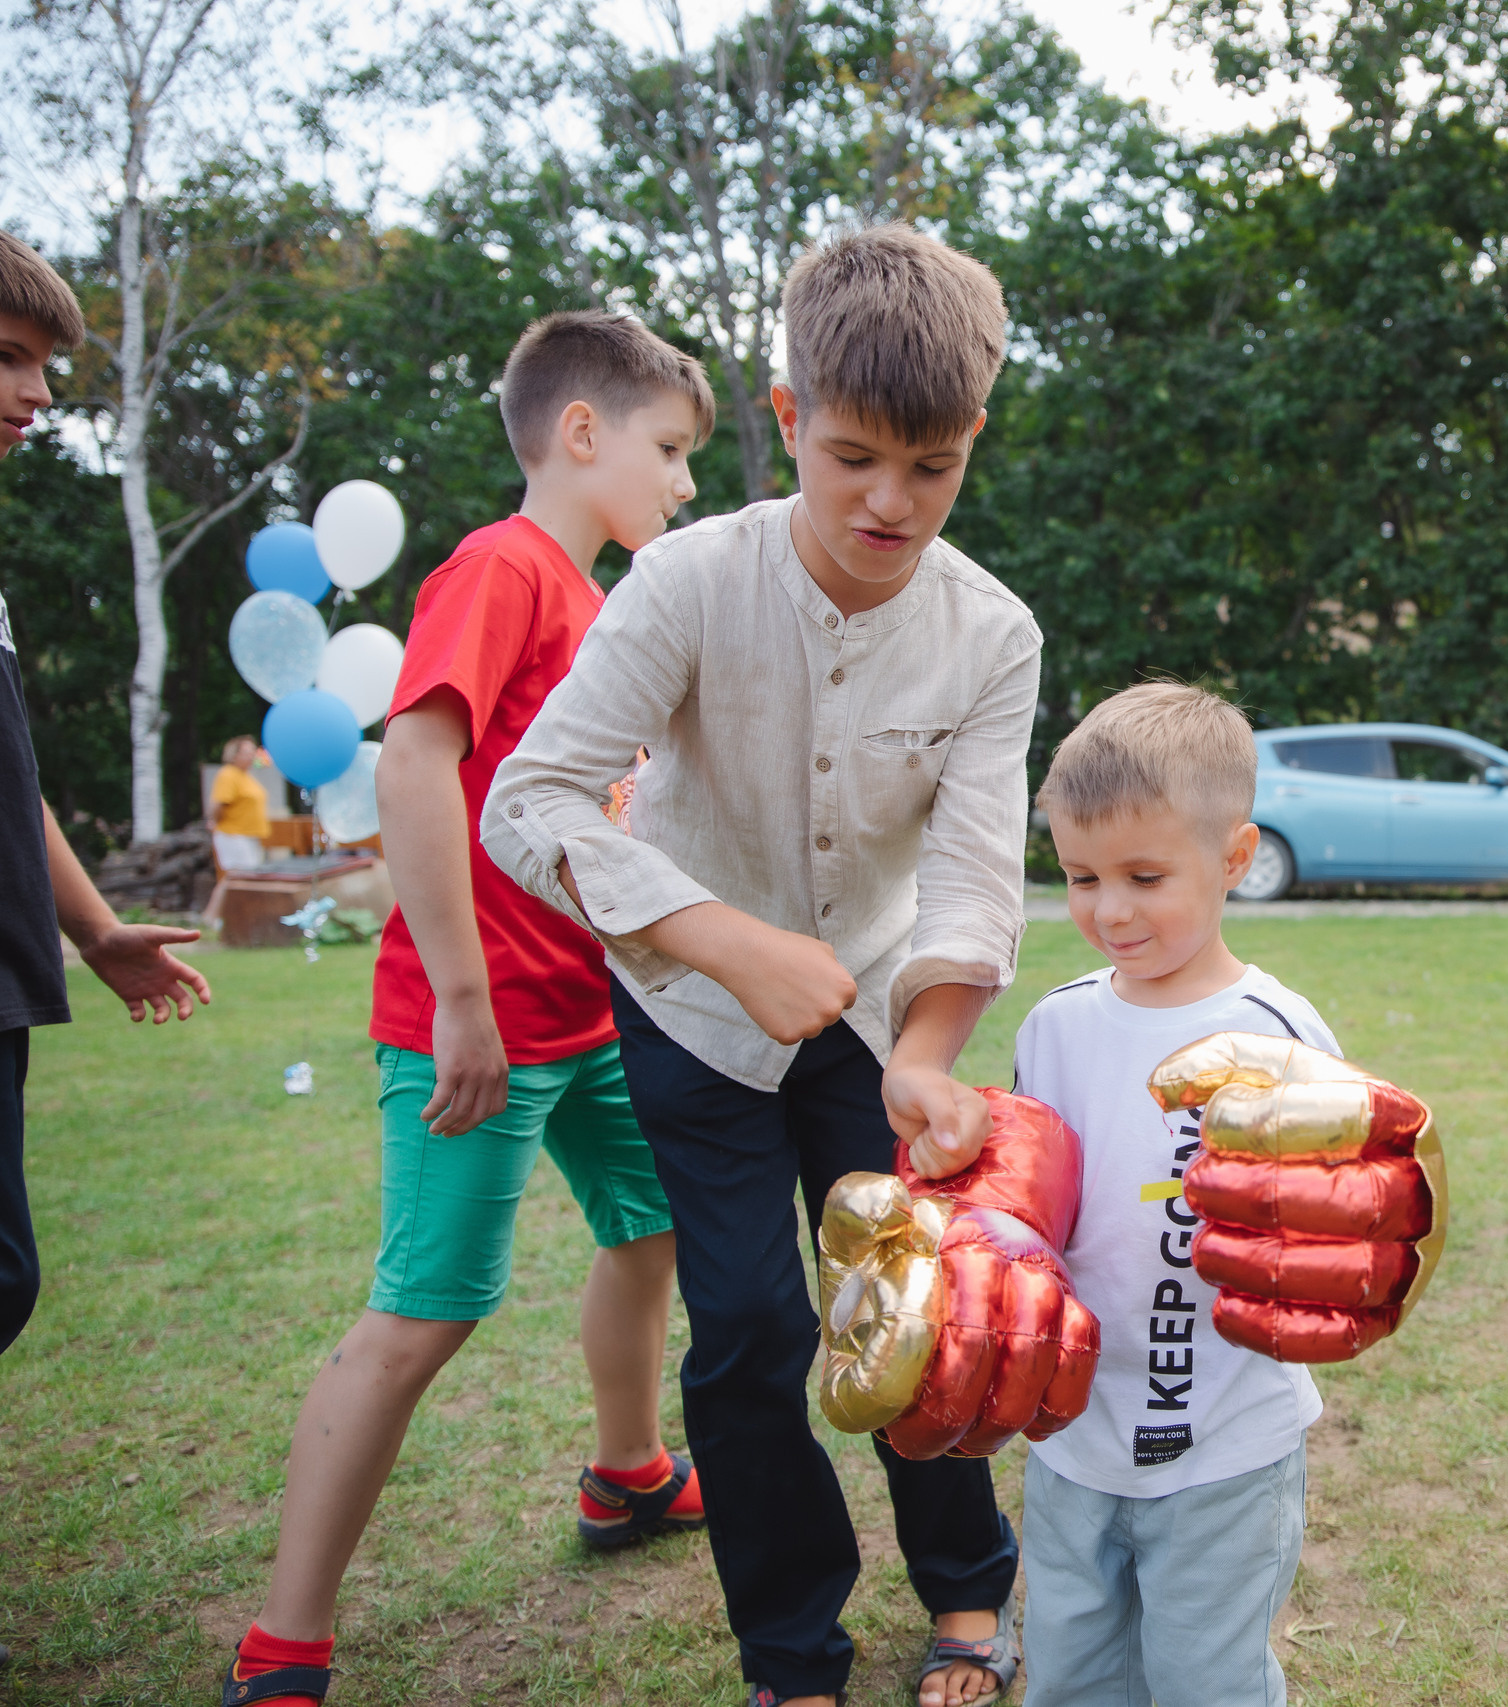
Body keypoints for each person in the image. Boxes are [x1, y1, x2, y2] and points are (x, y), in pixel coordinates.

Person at [482, 223, 1035, 1707]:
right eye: (852, 456)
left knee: (914, 1310)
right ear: (789, 420)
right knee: (748, 1326)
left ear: (973, 437)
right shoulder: (681, 582)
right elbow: (524, 801)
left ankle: (970, 1589)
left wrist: (923, 1049)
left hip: (882, 1024)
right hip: (686, 1015)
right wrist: (717, 938)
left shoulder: (996, 631)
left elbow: (979, 870)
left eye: (932, 467)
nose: (888, 500)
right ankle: (794, 1653)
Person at [220, 311, 717, 1707]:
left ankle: (627, 1474)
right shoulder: (502, 569)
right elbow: (414, 769)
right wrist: (460, 1000)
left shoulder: (599, 600)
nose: (682, 484)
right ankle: (283, 1641)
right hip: (478, 1021)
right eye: (669, 450)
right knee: (423, 1315)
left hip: (590, 1008)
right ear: (580, 434)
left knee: (654, 1223)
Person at [0, 209, 215, 1677]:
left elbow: (7, 771)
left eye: (47, 364)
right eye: (5, 355)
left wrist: (101, 924)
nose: (36, 391)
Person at [1011, 682, 1332, 1707]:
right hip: (1074, 1441)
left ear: (1234, 858)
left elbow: (1325, 1232)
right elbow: (1021, 1220)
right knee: (1070, 1671)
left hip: (1227, 1447)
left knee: (1207, 1681)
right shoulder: (1052, 1029)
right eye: (1079, 876)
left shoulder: (1280, 1036)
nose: (1110, 909)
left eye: (1145, 877)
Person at [210, 736, 270, 871]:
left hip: (250, 835)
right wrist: (215, 822)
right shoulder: (228, 775)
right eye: (247, 752)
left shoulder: (246, 775)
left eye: (253, 752)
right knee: (239, 878)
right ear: (234, 755)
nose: (251, 756)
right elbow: (219, 804)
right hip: (234, 835)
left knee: (246, 879)